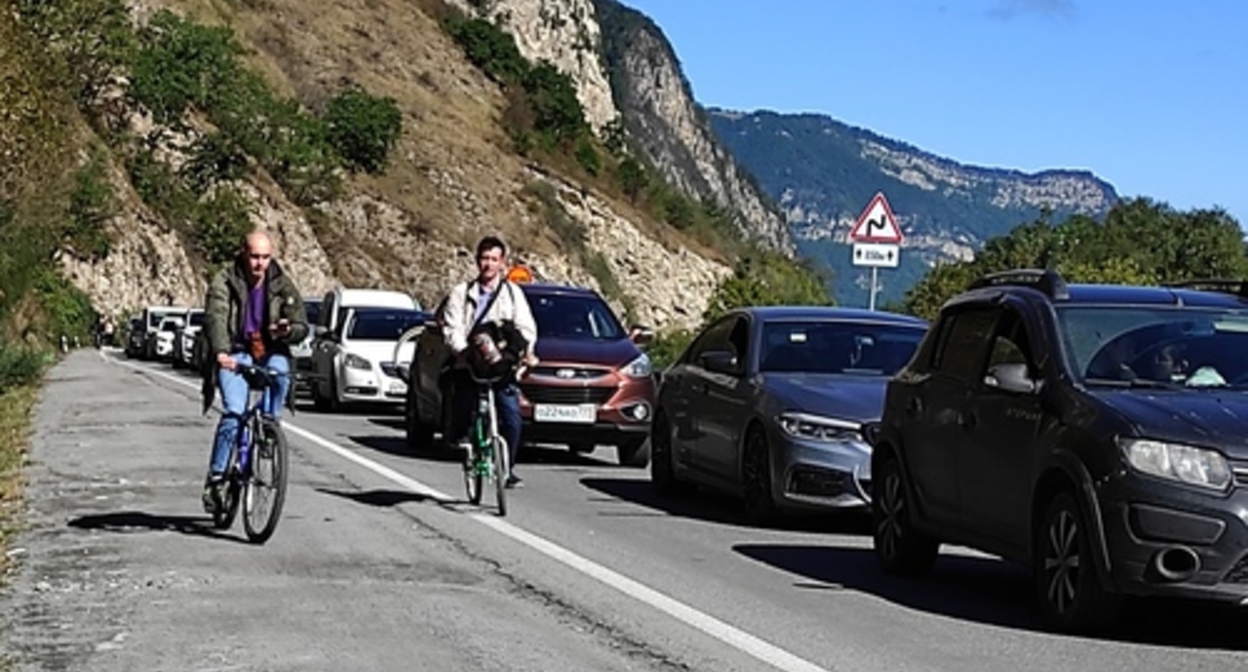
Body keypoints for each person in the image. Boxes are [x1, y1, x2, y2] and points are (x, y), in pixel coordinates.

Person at [199, 230, 308, 511]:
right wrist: (221, 352)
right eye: (255, 257)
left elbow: (301, 324)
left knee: (280, 374)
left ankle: (269, 427)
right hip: (234, 353)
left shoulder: (281, 283)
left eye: (265, 257)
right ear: (243, 253)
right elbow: (215, 316)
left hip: (269, 351)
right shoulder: (225, 280)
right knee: (234, 413)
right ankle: (217, 478)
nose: (260, 263)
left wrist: (288, 330)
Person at [443, 235, 537, 488]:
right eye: (484, 258)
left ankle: (506, 468)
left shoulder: (512, 294)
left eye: (494, 259)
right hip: (471, 363)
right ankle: (464, 442)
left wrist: (523, 353)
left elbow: (526, 327)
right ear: (477, 261)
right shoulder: (462, 293)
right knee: (464, 403)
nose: (488, 264)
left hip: (501, 366)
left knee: (512, 418)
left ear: (502, 262)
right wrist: (463, 352)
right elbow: (452, 327)